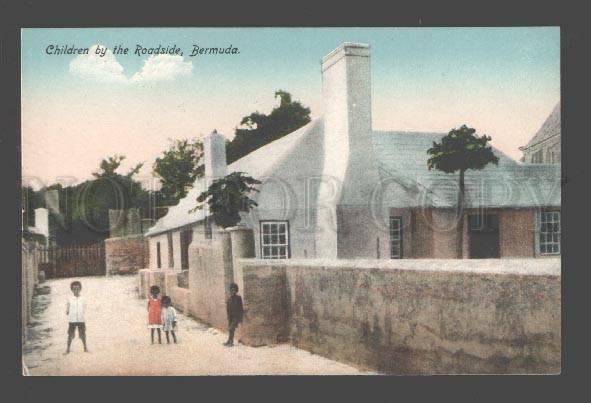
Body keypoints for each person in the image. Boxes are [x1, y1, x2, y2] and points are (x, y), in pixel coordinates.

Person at [65, 280, 88, 354]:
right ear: (72, 289)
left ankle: (85, 348)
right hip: (72, 320)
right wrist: (68, 311)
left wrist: (81, 314)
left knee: (83, 334)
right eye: (74, 289)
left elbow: (84, 307)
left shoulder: (83, 299)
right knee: (70, 335)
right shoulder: (70, 298)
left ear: (80, 289)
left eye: (78, 289)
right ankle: (68, 349)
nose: (76, 290)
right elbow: (68, 306)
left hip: (81, 319)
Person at [224, 283, 244, 347]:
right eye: (231, 290)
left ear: (236, 290)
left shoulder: (238, 298)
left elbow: (241, 308)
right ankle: (229, 341)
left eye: (234, 290)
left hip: (236, 316)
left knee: (231, 328)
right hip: (230, 316)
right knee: (231, 329)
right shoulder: (229, 299)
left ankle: (231, 342)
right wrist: (228, 316)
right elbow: (228, 308)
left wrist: (240, 318)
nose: (233, 291)